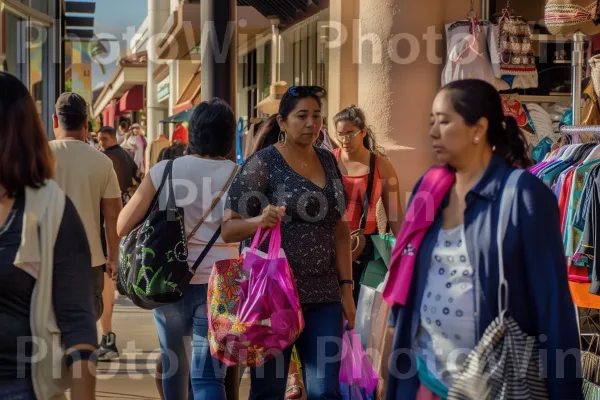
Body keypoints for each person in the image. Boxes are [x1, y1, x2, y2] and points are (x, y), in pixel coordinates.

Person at [386, 79, 582, 399]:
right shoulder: (428, 189)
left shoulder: (523, 195)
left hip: (493, 384)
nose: (433, 132)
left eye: (445, 121)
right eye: (431, 122)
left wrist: (566, 391)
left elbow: (553, 309)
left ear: (478, 129)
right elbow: (410, 276)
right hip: (424, 378)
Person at [222, 85, 356, 399]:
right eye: (302, 116)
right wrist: (259, 220)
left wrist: (347, 289)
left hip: (323, 296)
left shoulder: (328, 162)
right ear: (282, 122)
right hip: (272, 299)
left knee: (325, 392)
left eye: (317, 115)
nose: (311, 123)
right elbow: (229, 229)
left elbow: (339, 230)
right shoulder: (262, 164)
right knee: (269, 391)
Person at [117, 98, 240, 399]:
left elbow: (122, 225)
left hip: (169, 279)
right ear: (228, 135)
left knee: (174, 368)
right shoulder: (241, 174)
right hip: (225, 282)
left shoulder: (165, 170)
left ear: (194, 132)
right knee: (211, 378)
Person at [0, 72, 98, 399]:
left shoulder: (51, 205)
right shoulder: (103, 162)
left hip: (20, 387)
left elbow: (77, 325)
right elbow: (116, 217)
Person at [49, 93, 123, 325]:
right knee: (82, 332)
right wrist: (113, 258)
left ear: (54, 121)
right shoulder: (102, 162)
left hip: (44, 262)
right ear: (86, 124)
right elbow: (113, 217)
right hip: (88, 264)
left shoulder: (36, 156)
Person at [333, 105, 403, 304]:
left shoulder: (381, 166)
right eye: (340, 135)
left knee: (363, 312)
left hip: (366, 250)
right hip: (331, 245)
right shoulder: (329, 160)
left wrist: (409, 251)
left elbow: (395, 214)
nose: (345, 140)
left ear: (363, 132)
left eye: (350, 134)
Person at [95, 126, 142, 361]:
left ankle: (107, 339)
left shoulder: (103, 159)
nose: (101, 141)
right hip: (125, 222)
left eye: (104, 138)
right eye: (99, 138)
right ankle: (107, 338)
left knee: (105, 284)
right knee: (111, 282)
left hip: (105, 225)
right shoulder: (127, 156)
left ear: (113, 137)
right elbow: (138, 182)